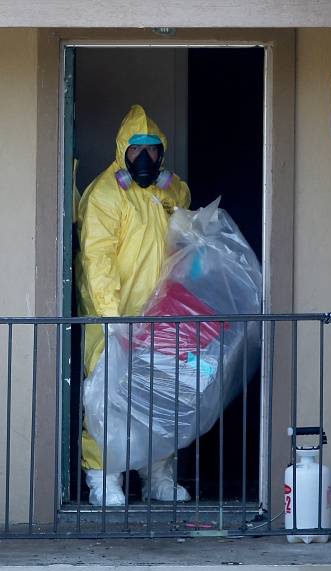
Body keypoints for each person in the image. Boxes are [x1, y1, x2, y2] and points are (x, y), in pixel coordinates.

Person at [76, 105, 192, 506]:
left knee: (160, 399)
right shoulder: (105, 195)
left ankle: (158, 477)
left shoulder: (167, 191)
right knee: (106, 400)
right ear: (121, 151)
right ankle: (103, 479)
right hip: (114, 319)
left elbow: (184, 216)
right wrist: (111, 317)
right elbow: (98, 259)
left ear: (162, 152)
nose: (144, 158)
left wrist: (172, 184)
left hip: (161, 318)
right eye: (136, 150)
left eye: (152, 150)